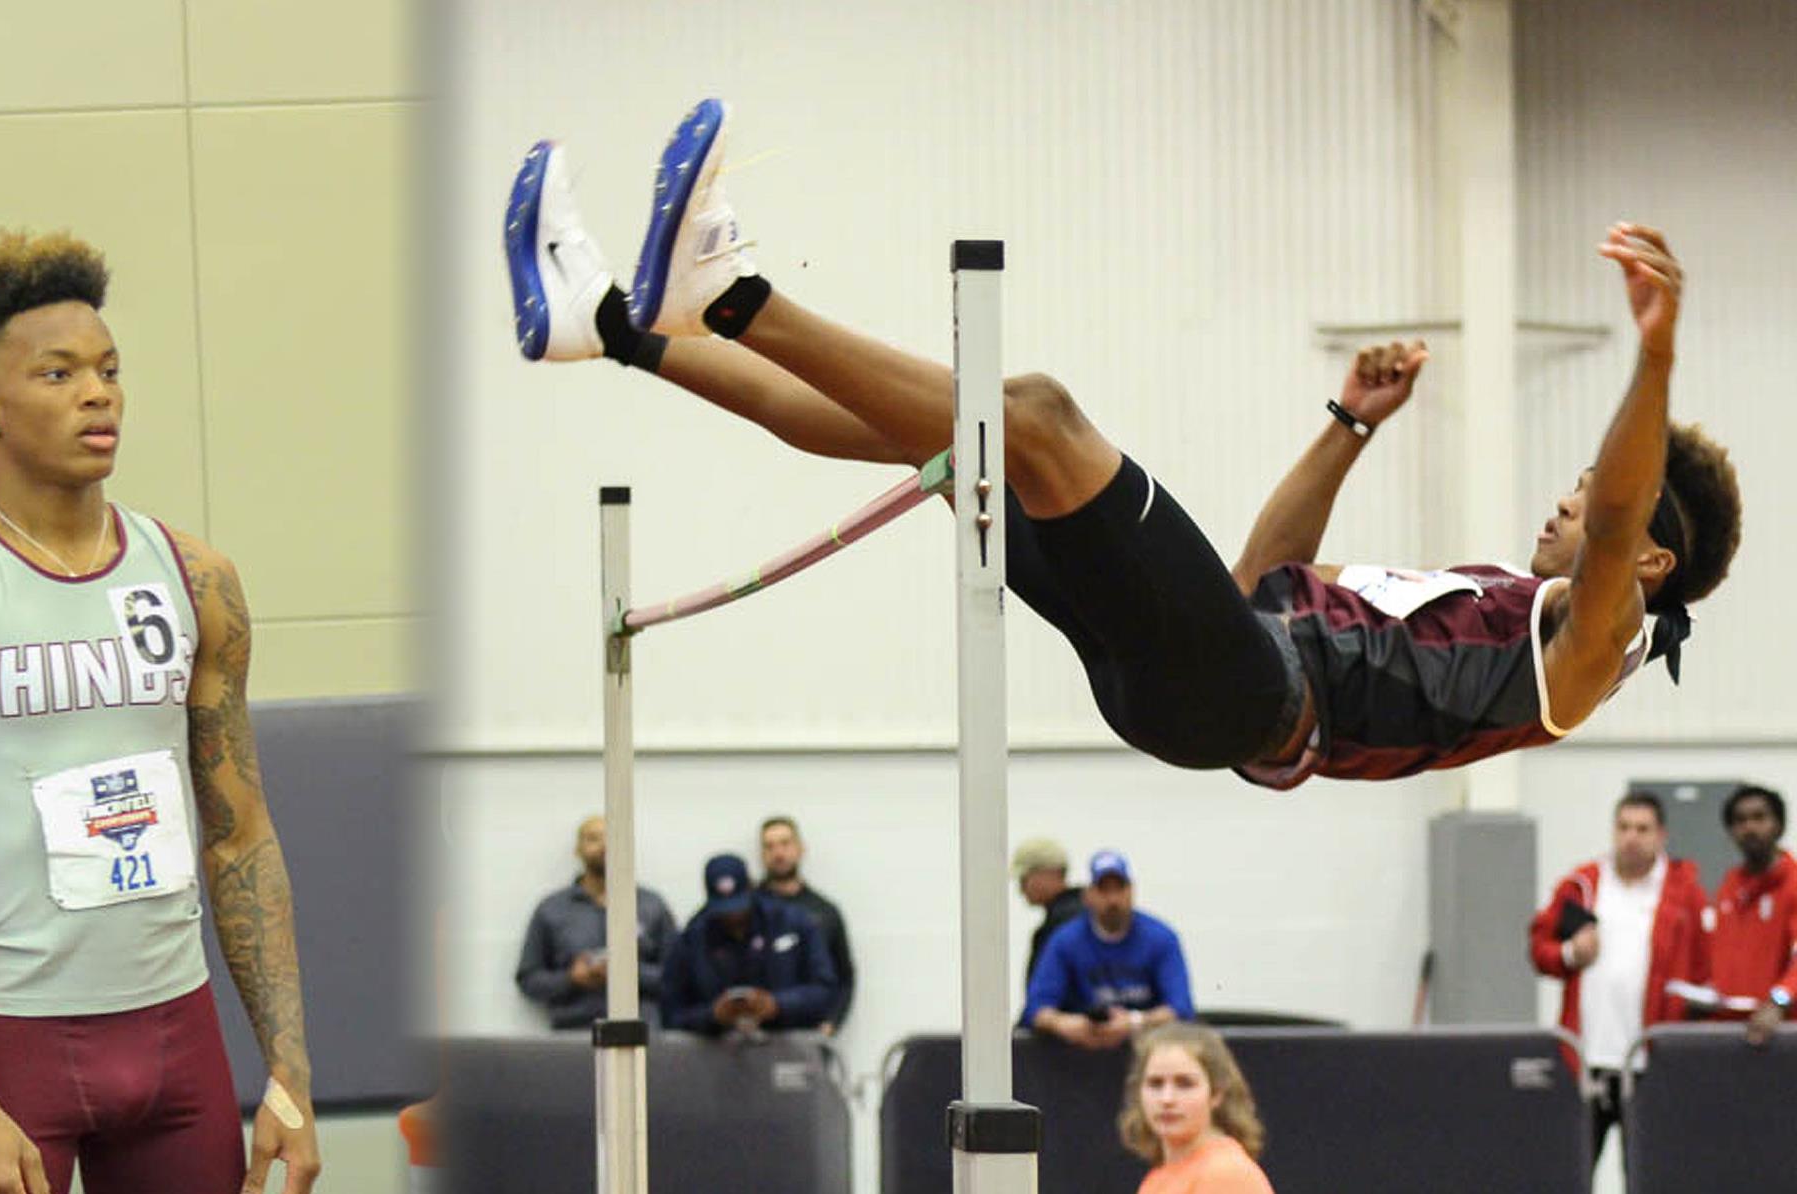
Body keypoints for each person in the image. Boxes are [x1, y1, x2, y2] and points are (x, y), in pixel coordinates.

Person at [503, 99, 1741, 789]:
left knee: (1032, 414)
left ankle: (732, 298)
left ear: (1644, 566)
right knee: (946, 453)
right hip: (1222, 669)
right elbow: (1262, 579)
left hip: (1245, 705)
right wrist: (1345, 428)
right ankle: (610, 329)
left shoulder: (1584, 657)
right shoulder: (1492, 597)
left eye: (1584, 506)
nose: (1563, 509)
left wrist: (1654, 356)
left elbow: (1628, 511)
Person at [0, 230, 322, 1194]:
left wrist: (289, 1071)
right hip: (9, 1044)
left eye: (109, 370)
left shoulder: (196, 579)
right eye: (59, 372)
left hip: (176, 1040)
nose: (98, 392)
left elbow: (240, 840)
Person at [1527, 790, 1707, 1166]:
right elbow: (1539, 950)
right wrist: (1570, 953)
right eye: (1624, 827)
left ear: (1662, 835)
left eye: (1643, 828)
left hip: (1649, 1062)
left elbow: (1703, 970)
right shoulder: (1583, 886)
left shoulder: (1684, 893)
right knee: (1570, 1169)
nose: (1632, 837)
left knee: (1649, 1172)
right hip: (1585, 1060)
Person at [515, 814, 678, 1028]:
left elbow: (678, 978)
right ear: (578, 849)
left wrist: (629, 972)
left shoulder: (652, 906)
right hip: (574, 1035)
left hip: (641, 1035)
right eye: (593, 838)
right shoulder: (551, 909)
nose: (604, 846)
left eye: (612, 839)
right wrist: (570, 979)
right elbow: (528, 979)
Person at [1023, 851, 1192, 1050]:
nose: (1113, 900)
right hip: (1080, 1057)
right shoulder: (1065, 941)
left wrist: (1137, 1022)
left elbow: (1181, 1008)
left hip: (1148, 1053)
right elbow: (1036, 1009)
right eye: (1103, 890)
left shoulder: (1161, 938)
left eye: (1119, 889)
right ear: (1088, 895)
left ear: (1131, 891)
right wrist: (1063, 1023)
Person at [660, 854, 836, 1036]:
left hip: (787, 1048)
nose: (733, 916)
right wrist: (712, 1015)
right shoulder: (693, 938)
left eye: (738, 906)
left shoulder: (791, 922)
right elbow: (671, 1014)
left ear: (751, 887)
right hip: (715, 1056)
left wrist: (776, 1004)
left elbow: (825, 991)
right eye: (725, 909)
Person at [1118, 1023, 1273, 1194]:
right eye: (1155, 1084)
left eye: (1185, 1084)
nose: (1167, 1099)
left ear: (1216, 1093)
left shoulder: (1226, 1173)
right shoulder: (1158, 1178)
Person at [1706, 785, 1797, 1046]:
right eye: (1741, 820)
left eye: (1759, 818)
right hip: (1729, 1032)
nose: (1750, 827)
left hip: (1781, 1033)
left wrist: (1779, 1001)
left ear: (1778, 826)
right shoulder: (1729, 886)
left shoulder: (1793, 883)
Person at [757, 816, 854, 1034]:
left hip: (808, 1034)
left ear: (800, 848)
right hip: (757, 1038)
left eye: (785, 843)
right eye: (769, 846)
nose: (778, 853)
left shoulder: (824, 912)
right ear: (762, 855)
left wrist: (832, 1021)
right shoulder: (746, 911)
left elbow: (844, 976)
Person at [1012, 837, 1084, 985]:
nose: (1021, 889)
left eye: (1024, 879)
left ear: (1049, 873)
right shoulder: (1087, 913)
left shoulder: (1059, 924)